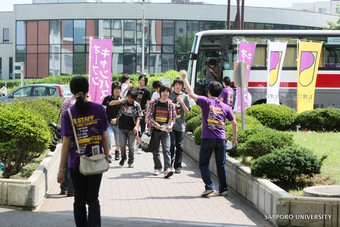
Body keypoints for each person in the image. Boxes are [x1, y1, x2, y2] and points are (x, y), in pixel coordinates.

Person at [58, 76, 110, 227]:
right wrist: (106, 159)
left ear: (72, 92)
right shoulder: (99, 109)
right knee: (93, 200)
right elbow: (104, 137)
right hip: (96, 160)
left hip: (76, 162)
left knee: (79, 200)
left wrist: (61, 169)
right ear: (88, 90)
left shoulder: (67, 114)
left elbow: (66, 144)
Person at [180, 70, 238, 197]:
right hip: (221, 139)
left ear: (209, 91)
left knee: (203, 163)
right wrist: (234, 139)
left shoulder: (206, 101)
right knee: (221, 165)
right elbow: (234, 124)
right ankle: (223, 189)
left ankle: (209, 186)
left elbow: (190, 94)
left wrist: (185, 79)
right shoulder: (225, 107)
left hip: (207, 138)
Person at [147, 85, 177, 178]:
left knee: (166, 149)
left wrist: (170, 125)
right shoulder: (154, 103)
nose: (165, 93)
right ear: (160, 92)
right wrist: (156, 125)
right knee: (155, 150)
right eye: (164, 91)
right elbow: (149, 116)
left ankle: (167, 169)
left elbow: (173, 117)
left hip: (166, 131)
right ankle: (157, 167)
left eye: (167, 92)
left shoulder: (171, 104)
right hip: (155, 130)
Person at [111, 89, 143, 168]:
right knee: (122, 144)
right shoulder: (123, 103)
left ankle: (131, 161)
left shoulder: (136, 105)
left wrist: (136, 126)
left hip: (131, 129)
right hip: (121, 127)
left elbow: (139, 116)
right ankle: (123, 157)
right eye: (128, 97)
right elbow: (110, 104)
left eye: (132, 98)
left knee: (131, 146)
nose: (129, 99)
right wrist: (120, 101)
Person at [169, 77, 191, 174]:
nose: (178, 86)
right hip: (171, 126)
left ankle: (178, 166)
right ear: (174, 86)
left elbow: (187, 112)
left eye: (180, 85)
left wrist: (181, 102)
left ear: (182, 86)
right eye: (176, 85)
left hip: (181, 126)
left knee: (180, 146)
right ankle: (169, 164)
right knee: (172, 145)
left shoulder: (185, 97)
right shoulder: (170, 96)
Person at [58, 95, 76, 197]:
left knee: (65, 162)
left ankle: (63, 188)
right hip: (75, 138)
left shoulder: (65, 102)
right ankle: (71, 189)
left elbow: (62, 118)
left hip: (65, 134)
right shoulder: (78, 105)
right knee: (73, 163)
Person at [102, 81, 121, 162]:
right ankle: (109, 154)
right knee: (109, 138)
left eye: (119, 89)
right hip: (108, 123)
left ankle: (117, 151)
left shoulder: (122, 100)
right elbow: (103, 110)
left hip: (118, 123)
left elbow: (123, 113)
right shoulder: (107, 98)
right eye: (115, 89)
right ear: (112, 89)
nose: (117, 90)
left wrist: (117, 120)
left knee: (118, 138)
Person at [135, 74, 151, 148]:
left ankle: (140, 143)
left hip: (143, 112)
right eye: (140, 80)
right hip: (134, 112)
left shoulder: (147, 91)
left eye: (143, 80)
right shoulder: (136, 89)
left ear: (145, 82)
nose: (141, 81)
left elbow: (148, 104)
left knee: (142, 129)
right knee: (134, 128)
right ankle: (139, 142)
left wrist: (147, 115)